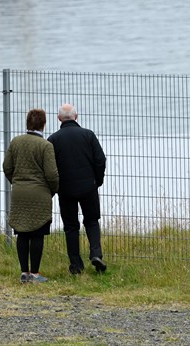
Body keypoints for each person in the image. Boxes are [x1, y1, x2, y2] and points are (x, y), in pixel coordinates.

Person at [48, 103, 107, 274]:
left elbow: (50, 167)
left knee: (71, 226)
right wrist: (97, 180)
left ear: (59, 118)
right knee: (92, 220)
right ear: (76, 116)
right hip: (89, 186)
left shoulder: (53, 140)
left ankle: (76, 265)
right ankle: (96, 254)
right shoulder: (88, 135)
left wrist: (56, 186)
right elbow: (100, 160)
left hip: (65, 189)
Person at [3, 108, 59, 283]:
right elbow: (51, 174)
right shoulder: (46, 146)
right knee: (37, 233)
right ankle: (35, 274)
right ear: (43, 124)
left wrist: (16, 181)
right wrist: (52, 189)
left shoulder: (15, 142)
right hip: (39, 193)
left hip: (19, 192)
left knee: (22, 233)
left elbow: (7, 167)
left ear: (27, 123)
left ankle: (23, 272)